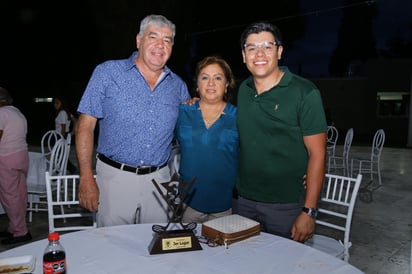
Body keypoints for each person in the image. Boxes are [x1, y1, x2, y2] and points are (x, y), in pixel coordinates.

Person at [76, 14, 191, 227]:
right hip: (114, 179)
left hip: (160, 180)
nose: (160, 45)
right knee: (112, 248)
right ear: (139, 40)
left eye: (167, 40)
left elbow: (189, 132)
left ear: (172, 47)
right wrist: (85, 176)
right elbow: (85, 126)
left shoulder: (178, 86)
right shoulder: (107, 73)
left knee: (156, 247)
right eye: (153, 37)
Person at [235, 21, 327, 242]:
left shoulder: (305, 92)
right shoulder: (243, 90)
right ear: (244, 55)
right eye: (252, 47)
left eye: (267, 46)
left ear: (279, 51)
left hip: (286, 206)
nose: (259, 53)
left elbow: (318, 154)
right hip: (243, 202)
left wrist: (310, 211)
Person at [175, 56, 239, 223]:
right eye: (205, 77)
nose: (211, 83)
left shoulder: (239, 117)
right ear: (197, 85)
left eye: (218, 78)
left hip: (225, 207)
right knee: (188, 248)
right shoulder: (183, 112)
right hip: (188, 204)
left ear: (226, 85)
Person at [0, 86, 32, 244]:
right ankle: (14, 227)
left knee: (9, 196)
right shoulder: (17, 112)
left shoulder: (1, 113)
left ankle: (20, 232)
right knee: (20, 194)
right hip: (22, 155)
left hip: (6, 157)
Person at [52, 95, 78, 173]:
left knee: (59, 155)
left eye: (57, 103)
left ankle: (71, 169)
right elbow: (75, 121)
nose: (55, 105)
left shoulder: (62, 113)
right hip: (64, 135)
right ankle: (59, 172)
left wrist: (62, 139)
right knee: (61, 155)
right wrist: (72, 132)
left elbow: (63, 127)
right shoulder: (65, 112)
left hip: (61, 136)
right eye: (54, 103)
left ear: (62, 103)